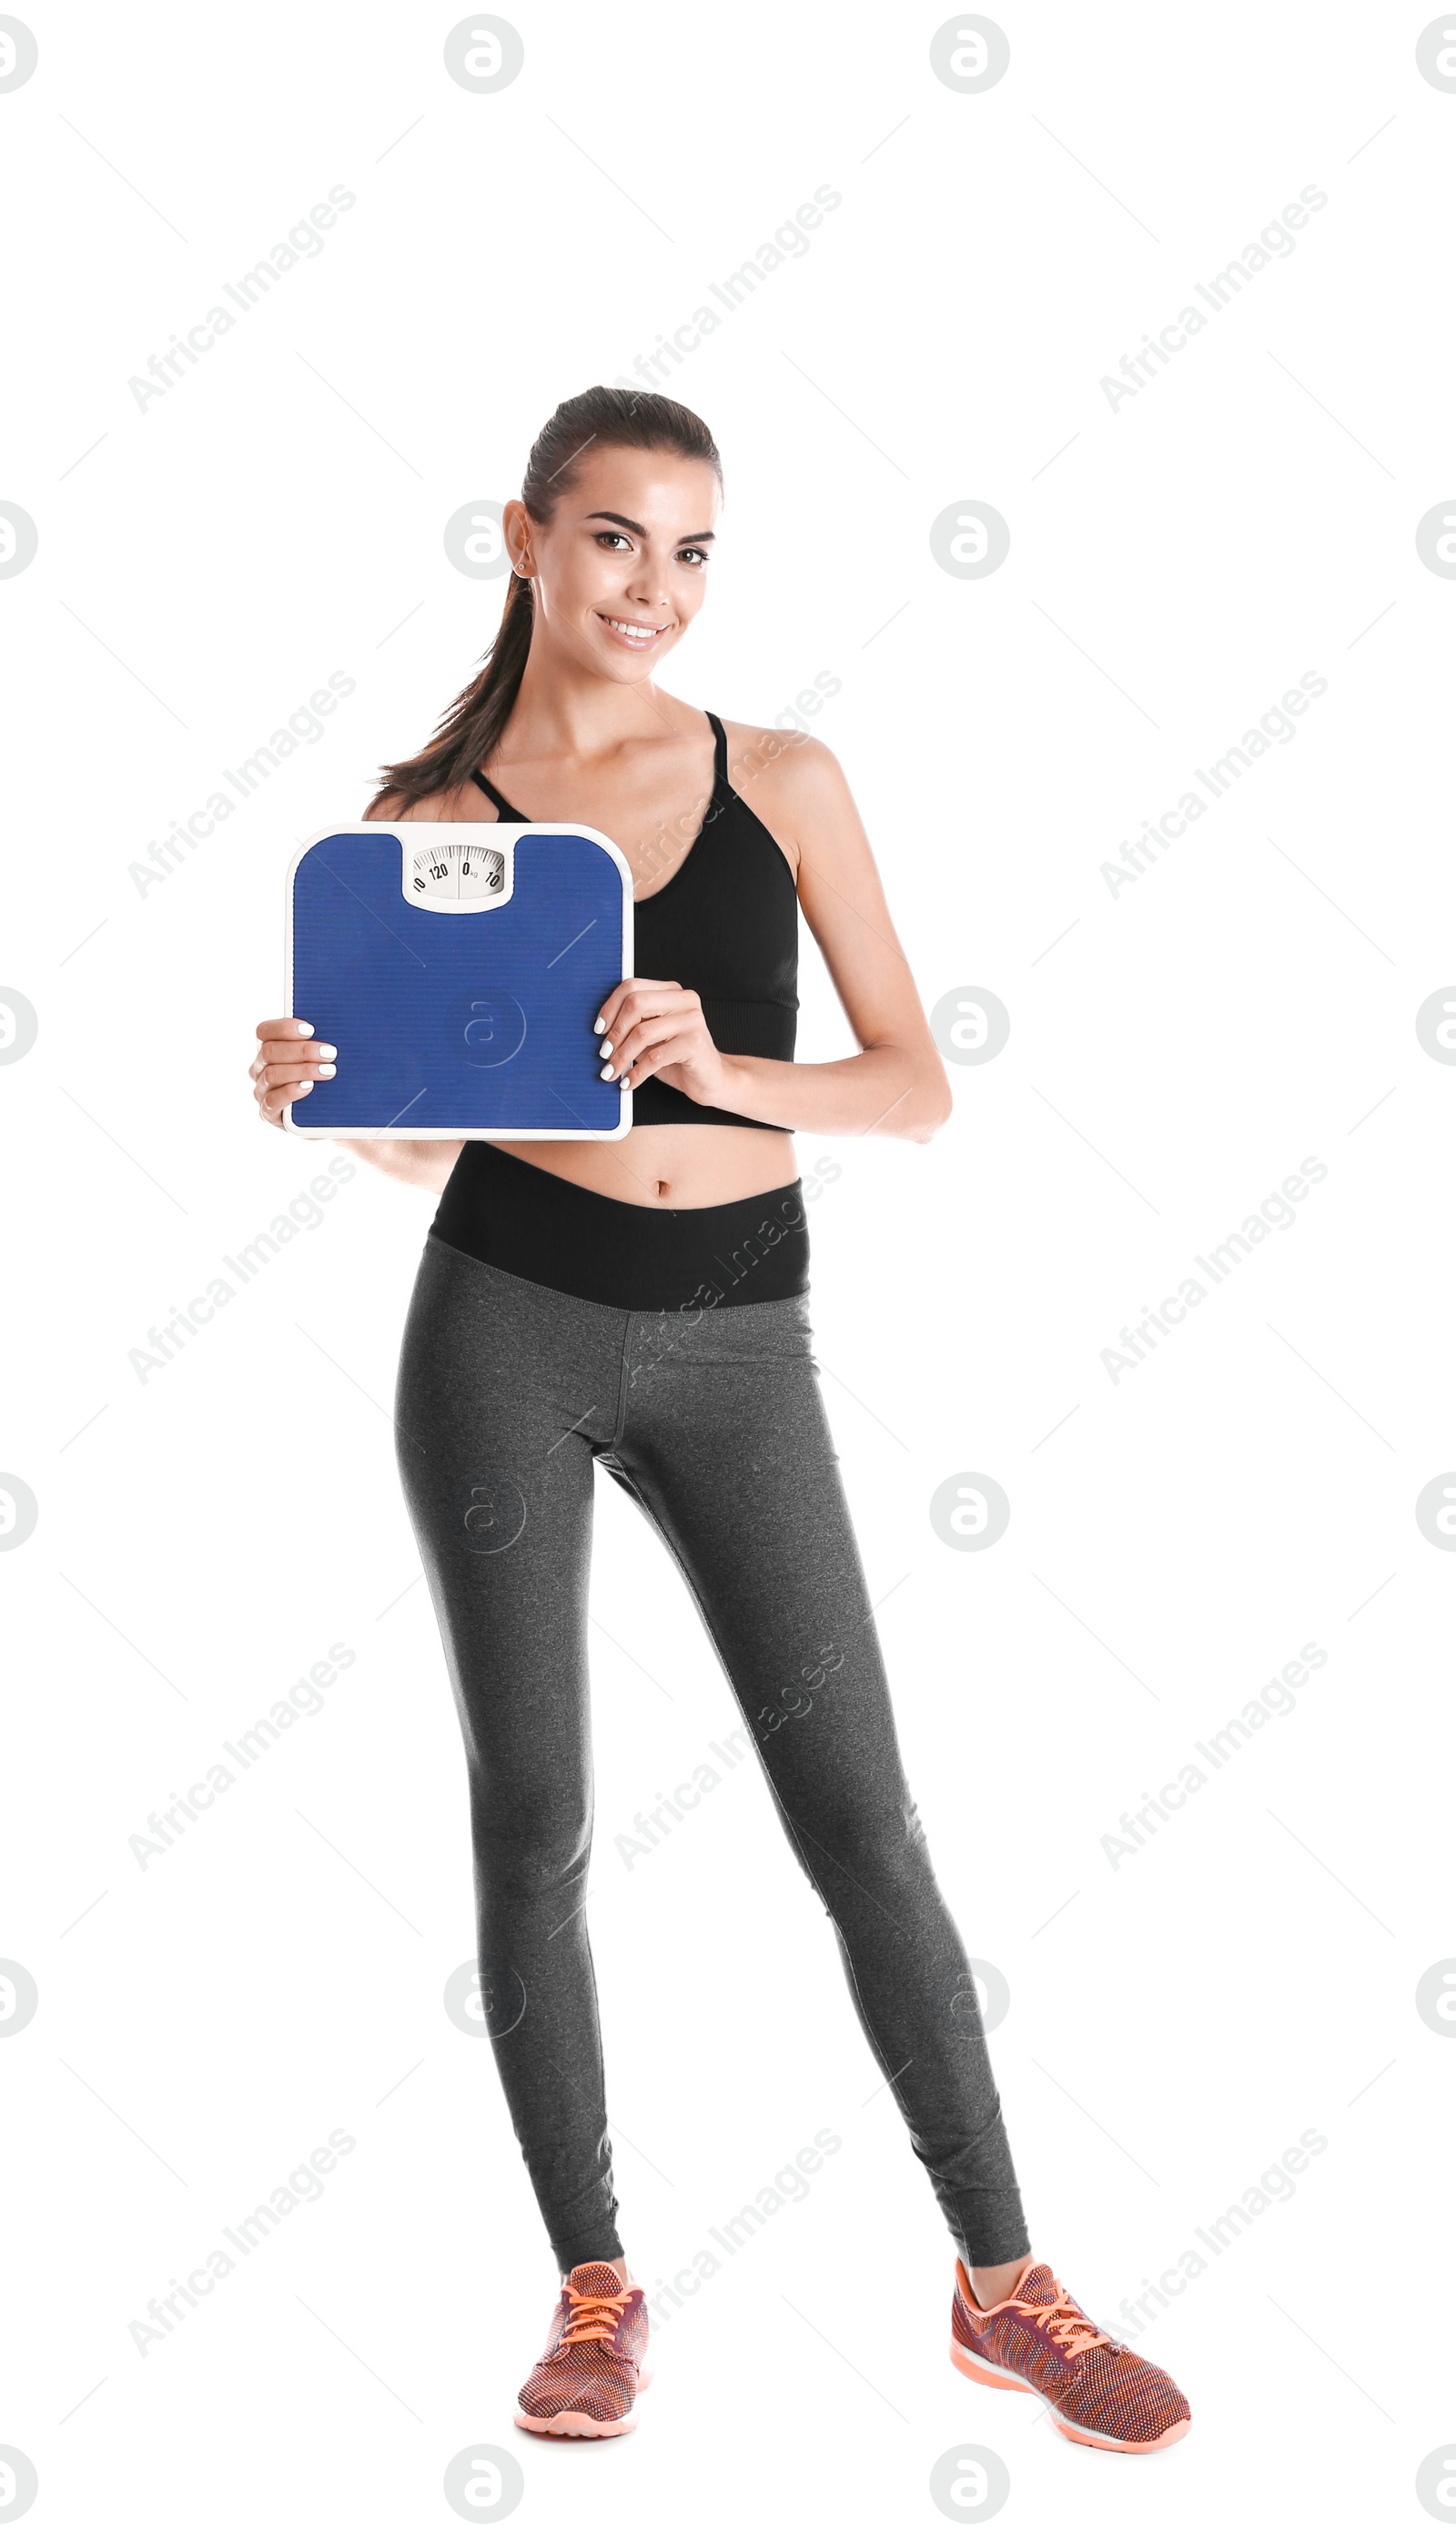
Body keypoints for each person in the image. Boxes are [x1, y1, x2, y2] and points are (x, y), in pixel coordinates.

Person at [250, 387, 1190, 2454]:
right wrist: (329, 1098)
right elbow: (437, 1143)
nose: (650, 589)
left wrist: (717, 1064)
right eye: (610, 540)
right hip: (500, 1325)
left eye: (688, 552)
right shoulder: (432, 817)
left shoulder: (783, 778)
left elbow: (912, 1086)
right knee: (536, 1821)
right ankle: (593, 2290)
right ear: (523, 540)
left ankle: (1002, 2282)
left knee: (858, 1816)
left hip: (735, 1339)